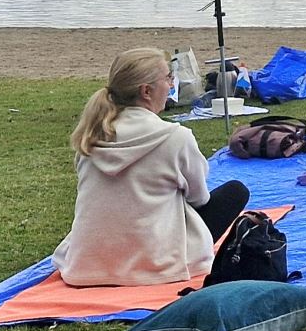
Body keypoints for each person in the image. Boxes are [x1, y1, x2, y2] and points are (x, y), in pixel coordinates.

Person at [52, 48, 250, 286]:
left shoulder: (91, 137)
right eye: (168, 78)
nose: (171, 85)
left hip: (87, 264)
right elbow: (199, 198)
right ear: (146, 91)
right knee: (235, 192)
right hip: (157, 264)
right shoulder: (175, 137)